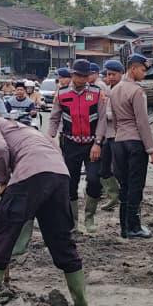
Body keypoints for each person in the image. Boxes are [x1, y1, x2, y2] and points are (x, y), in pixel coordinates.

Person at [0, 102, 87, 306]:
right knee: (61, 242)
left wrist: (3, 181)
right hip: (59, 176)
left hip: (30, 177)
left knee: (0, 238)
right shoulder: (24, 130)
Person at [47, 59, 108, 233]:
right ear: (73, 74)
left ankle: (89, 217)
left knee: (95, 180)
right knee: (70, 184)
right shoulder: (62, 94)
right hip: (70, 144)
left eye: (85, 76)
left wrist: (98, 143)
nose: (81, 79)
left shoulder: (97, 94)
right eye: (78, 75)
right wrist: (50, 139)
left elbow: (102, 119)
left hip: (92, 145)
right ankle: (73, 221)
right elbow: (54, 119)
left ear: (89, 76)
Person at [110, 55, 153, 238]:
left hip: (119, 141)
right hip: (135, 143)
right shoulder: (137, 91)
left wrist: (119, 136)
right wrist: (151, 149)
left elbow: (114, 120)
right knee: (136, 186)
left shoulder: (114, 90)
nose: (144, 74)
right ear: (133, 68)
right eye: (142, 70)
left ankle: (124, 227)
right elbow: (142, 122)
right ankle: (134, 226)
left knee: (124, 185)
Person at [98, 60, 125, 211]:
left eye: (114, 74)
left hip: (120, 134)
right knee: (104, 169)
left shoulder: (123, 90)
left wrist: (105, 115)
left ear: (121, 73)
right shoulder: (108, 89)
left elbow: (123, 114)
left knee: (119, 168)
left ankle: (126, 194)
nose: (111, 77)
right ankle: (114, 196)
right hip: (107, 135)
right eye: (108, 74)